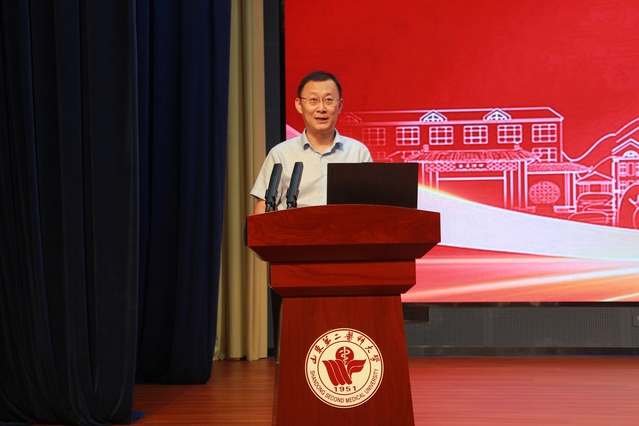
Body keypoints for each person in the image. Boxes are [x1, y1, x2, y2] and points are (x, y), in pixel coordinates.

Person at [250, 71, 372, 214]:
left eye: (329, 100)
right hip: (294, 228)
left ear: (340, 105)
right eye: (313, 100)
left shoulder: (358, 152)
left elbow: (371, 205)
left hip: (344, 227)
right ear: (299, 104)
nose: (321, 108)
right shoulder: (280, 154)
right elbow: (263, 206)